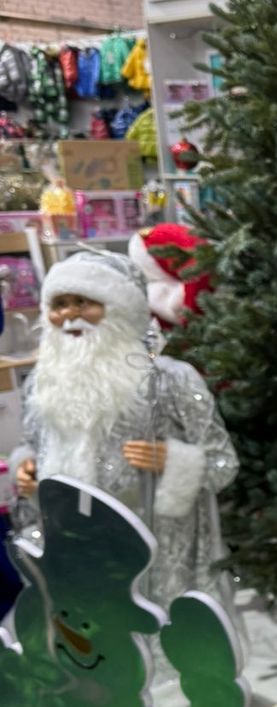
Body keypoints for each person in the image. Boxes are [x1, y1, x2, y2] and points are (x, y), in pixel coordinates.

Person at [12, 249, 237, 613]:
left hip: (156, 553)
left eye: (83, 302)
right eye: (59, 304)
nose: (69, 315)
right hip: (75, 551)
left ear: (120, 308)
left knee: (155, 629)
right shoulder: (41, 385)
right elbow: (31, 444)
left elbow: (222, 462)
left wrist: (175, 462)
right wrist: (27, 467)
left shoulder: (172, 379)